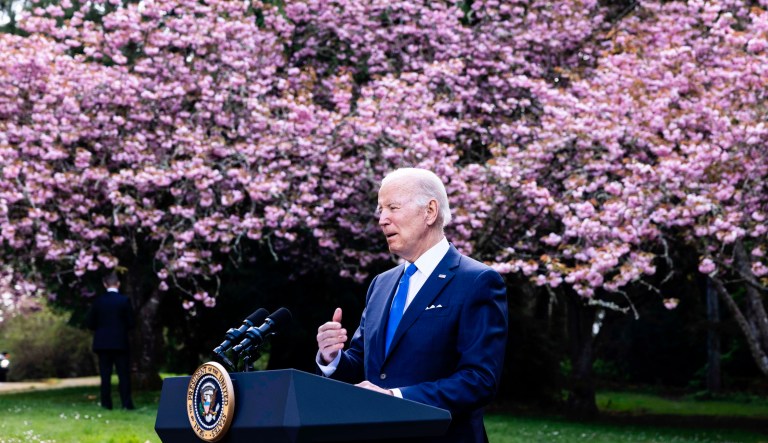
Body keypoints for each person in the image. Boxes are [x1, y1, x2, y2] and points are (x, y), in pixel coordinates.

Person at [316, 168, 508, 442]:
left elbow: (479, 380)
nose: (382, 219)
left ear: (430, 211)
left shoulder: (477, 281)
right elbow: (363, 365)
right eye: (380, 210)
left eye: (393, 207)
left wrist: (396, 398)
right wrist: (332, 358)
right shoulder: (381, 284)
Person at [87, 272, 135, 410]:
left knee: (105, 376)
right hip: (120, 342)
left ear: (105, 284)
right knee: (123, 375)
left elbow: (90, 323)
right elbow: (131, 323)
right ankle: (126, 404)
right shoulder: (124, 300)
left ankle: (106, 404)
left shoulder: (98, 301)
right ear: (118, 284)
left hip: (102, 343)